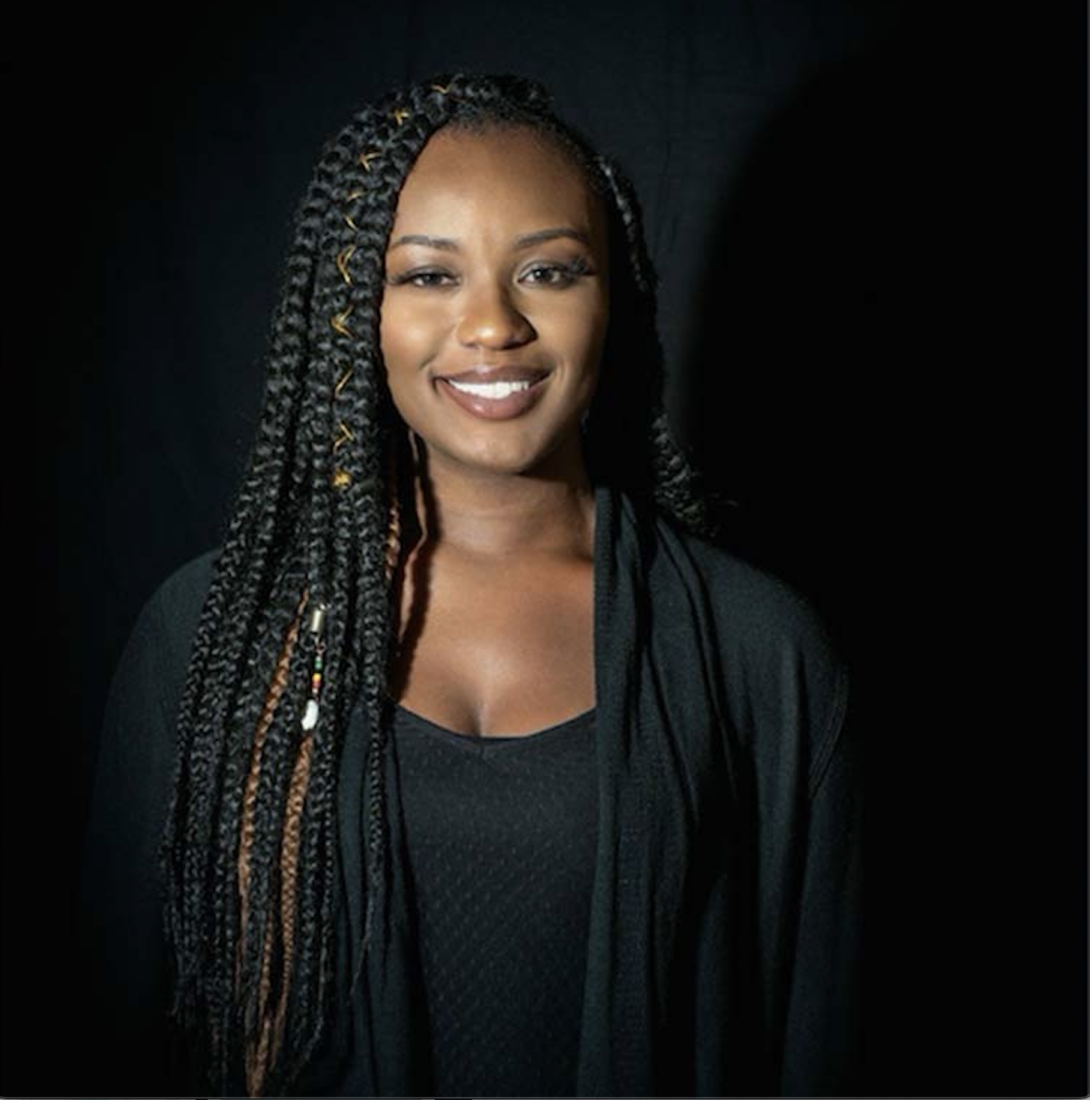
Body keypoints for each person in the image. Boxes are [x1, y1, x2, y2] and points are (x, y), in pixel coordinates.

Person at [79, 71, 860, 1098]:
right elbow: (97, 1041)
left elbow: (823, 1051)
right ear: (353, 309)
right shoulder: (210, 639)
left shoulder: (760, 651)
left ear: (611, 299)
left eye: (548, 270)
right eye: (428, 277)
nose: (492, 325)